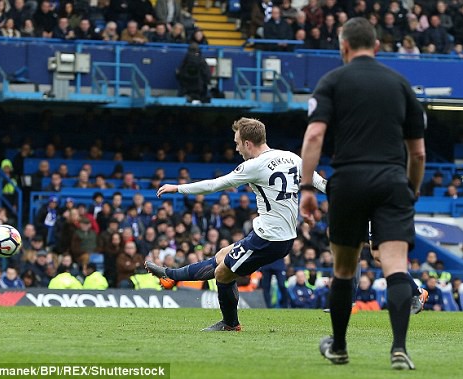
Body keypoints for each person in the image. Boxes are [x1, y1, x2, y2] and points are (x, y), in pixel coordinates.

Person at [300, 17, 426, 370]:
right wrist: (410, 190)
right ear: (377, 46)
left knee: (344, 268)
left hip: (349, 181)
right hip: (392, 181)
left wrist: (307, 186)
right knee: (396, 268)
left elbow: (313, 137)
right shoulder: (401, 84)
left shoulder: (332, 81)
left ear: (344, 47)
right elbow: (417, 153)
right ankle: (399, 349)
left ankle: (339, 347)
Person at [146, 117, 327, 331]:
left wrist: (178, 188)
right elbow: (319, 182)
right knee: (223, 254)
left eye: (238, 142)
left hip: (269, 239)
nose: (237, 147)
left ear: (248, 143)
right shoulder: (291, 158)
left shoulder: (254, 165)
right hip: (278, 235)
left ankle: (229, 323)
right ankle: (171, 277)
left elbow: (215, 185)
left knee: (223, 273)